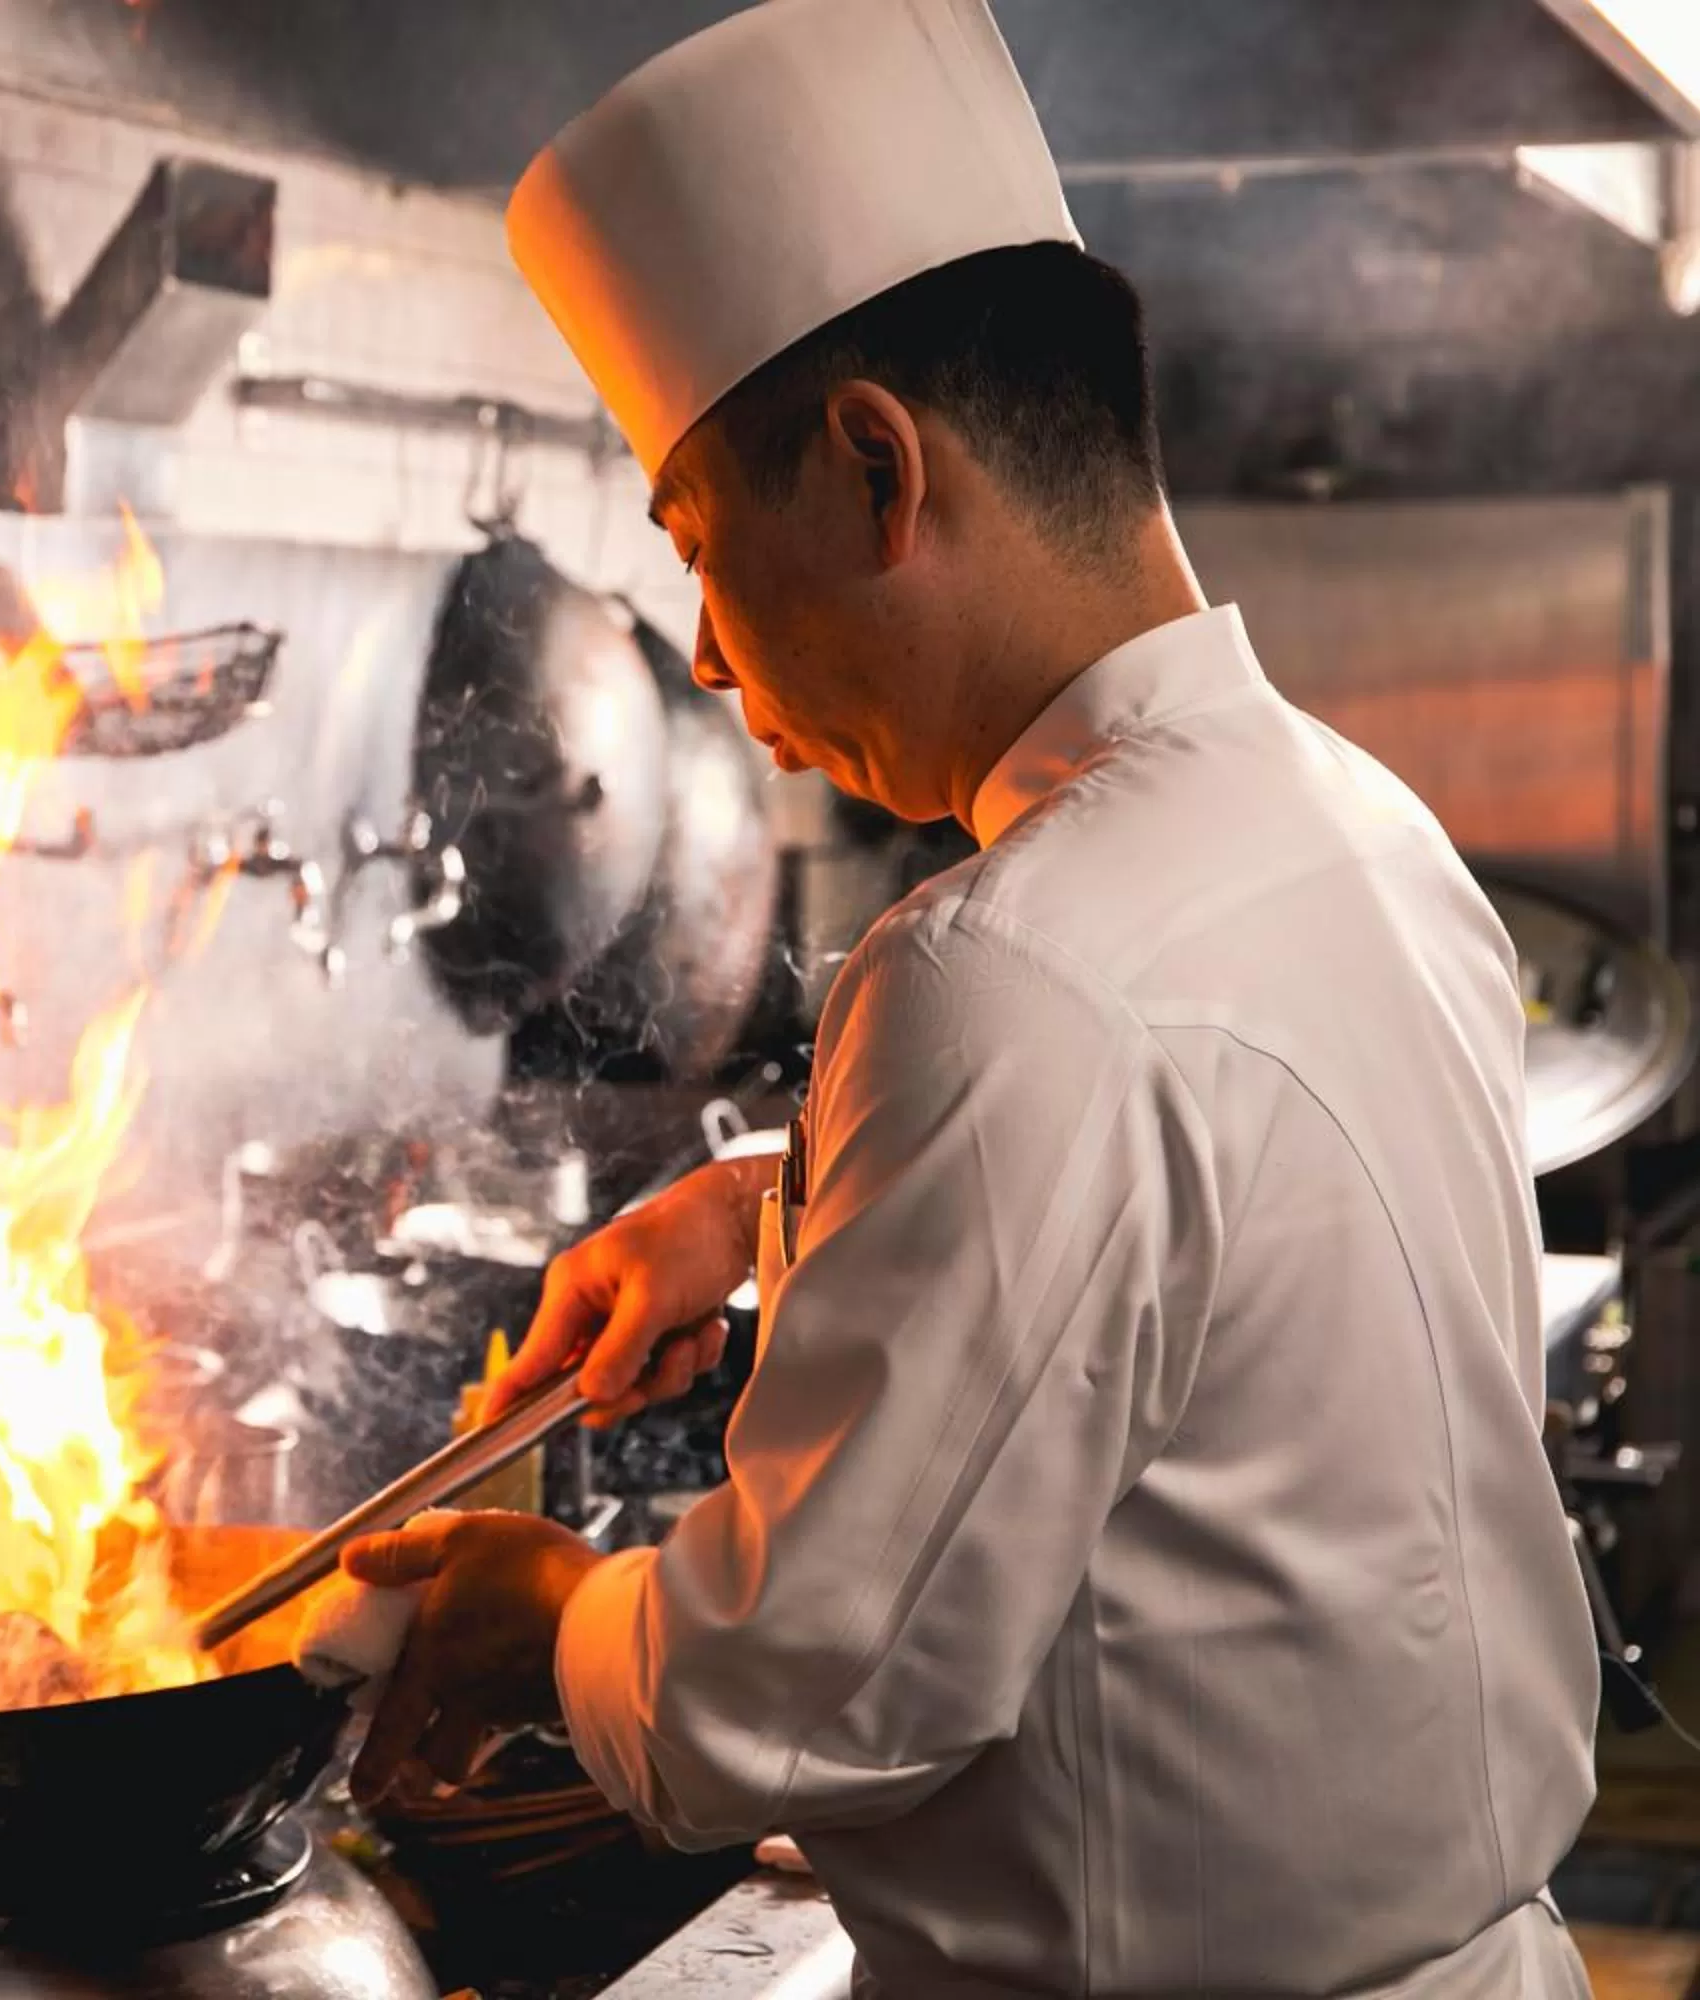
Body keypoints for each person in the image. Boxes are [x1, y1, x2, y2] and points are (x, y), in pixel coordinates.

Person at [338, 1, 1604, 1993]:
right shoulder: (1362, 826)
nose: (714, 659)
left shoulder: (1003, 966)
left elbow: (779, 1701)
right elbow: (1193, 1243)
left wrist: (537, 1613)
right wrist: (754, 1209)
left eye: (696, 538)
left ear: (869, 468)